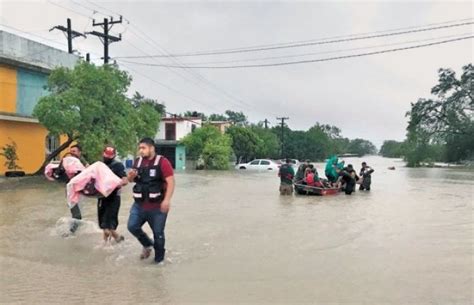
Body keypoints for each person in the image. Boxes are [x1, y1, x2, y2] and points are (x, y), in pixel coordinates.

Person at [127, 138, 175, 264]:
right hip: (139, 205)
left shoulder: (163, 162)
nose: (141, 151)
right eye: (140, 148)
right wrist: (131, 176)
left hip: (157, 207)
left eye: (143, 148)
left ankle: (159, 262)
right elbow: (131, 180)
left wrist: (167, 200)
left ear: (152, 148)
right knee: (132, 226)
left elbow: (171, 182)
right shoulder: (137, 162)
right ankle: (147, 245)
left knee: (158, 234)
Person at [97, 146, 128, 244]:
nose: (107, 156)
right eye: (106, 154)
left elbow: (125, 179)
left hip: (113, 198)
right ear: (103, 153)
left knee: (108, 225)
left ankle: (118, 238)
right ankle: (106, 244)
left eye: (110, 155)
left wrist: (119, 183)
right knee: (103, 225)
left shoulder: (118, 165)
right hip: (102, 197)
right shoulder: (100, 165)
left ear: (114, 155)